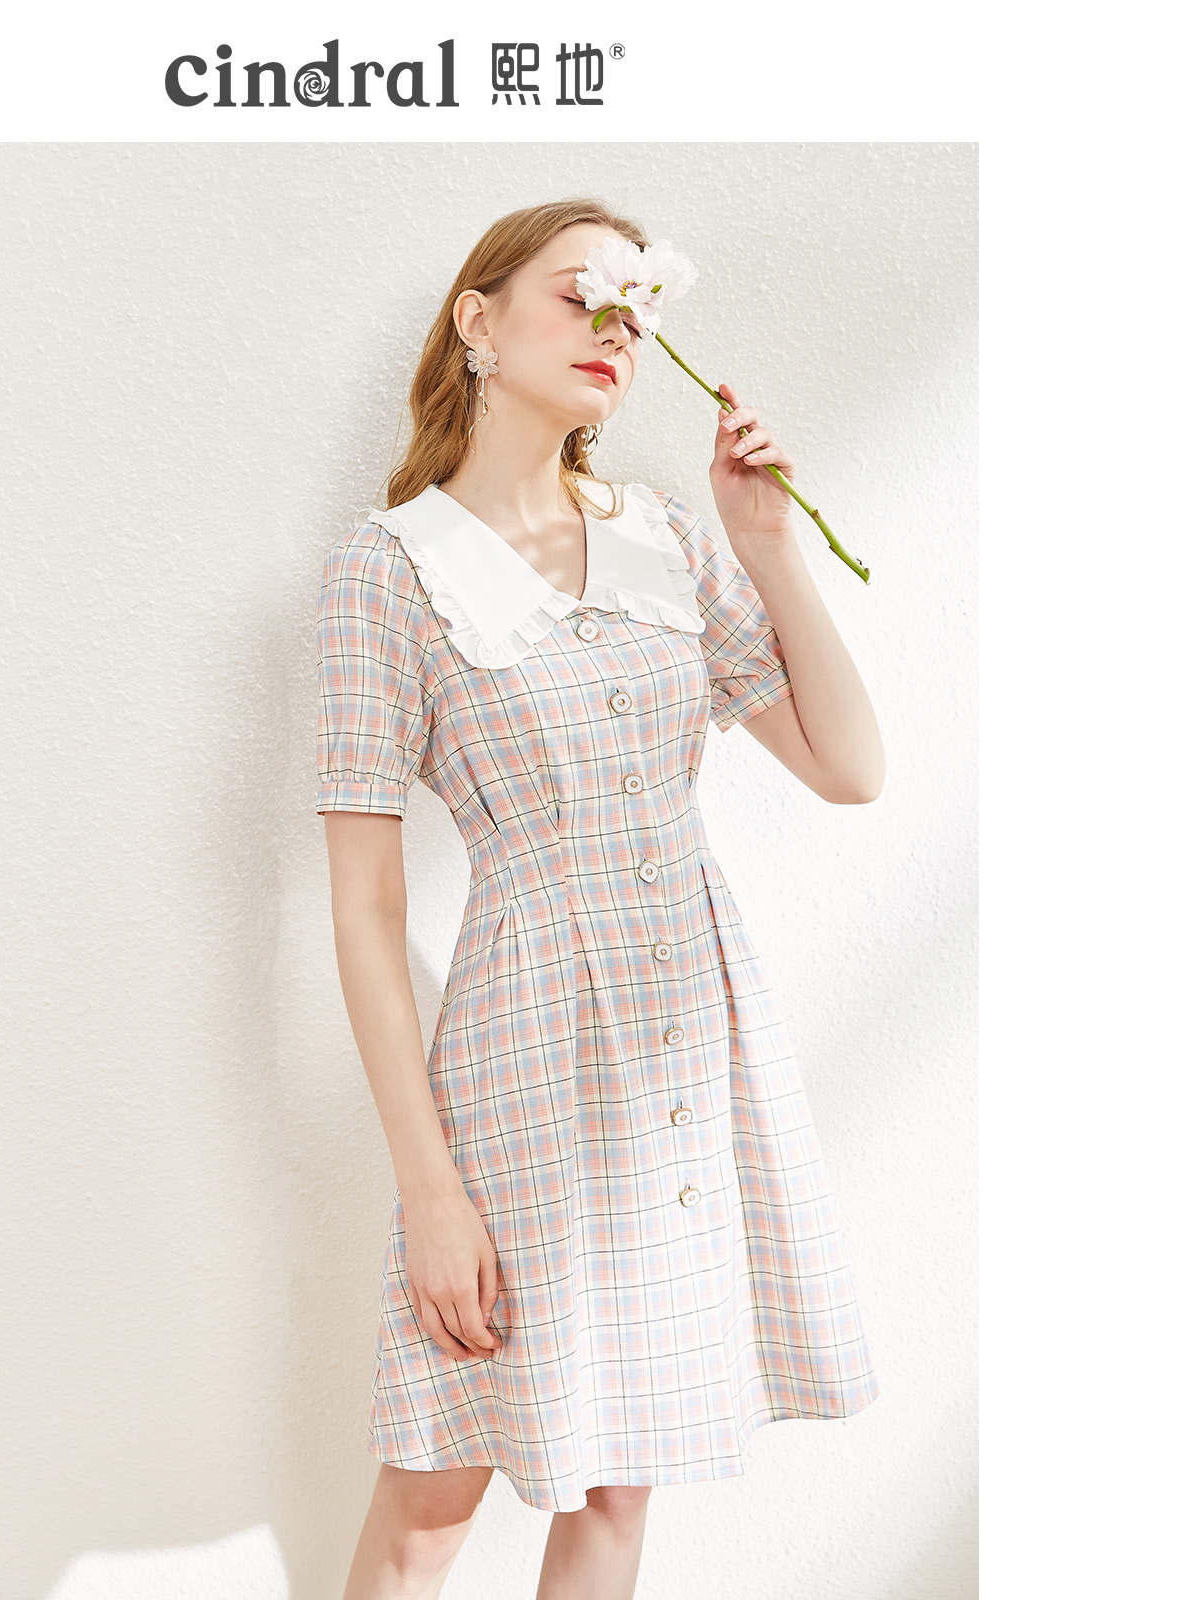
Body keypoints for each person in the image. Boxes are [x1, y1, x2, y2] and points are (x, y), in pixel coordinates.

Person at [315, 198, 885, 1600]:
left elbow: (850, 767)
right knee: (433, 1497)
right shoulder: (388, 571)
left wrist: (768, 544)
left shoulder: (666, 539)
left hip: (687, 1040)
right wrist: (430, 1190)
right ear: (479, 319)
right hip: (521, 1054)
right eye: (581, 296)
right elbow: (364, 913)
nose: (616, 331)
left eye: (634, 309)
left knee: (623, 1482)